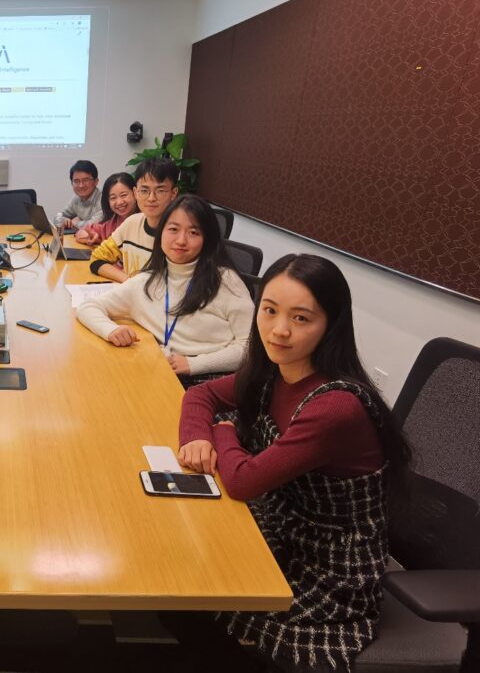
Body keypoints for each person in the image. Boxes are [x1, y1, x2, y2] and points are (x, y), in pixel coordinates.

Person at [163, 254, 411, 673]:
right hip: (279, 531)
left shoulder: (336, 406)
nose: (279, 330)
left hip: (329, 572)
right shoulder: (275, 368)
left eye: (300, 318)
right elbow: (199, 396)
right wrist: (197, 434)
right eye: (270, 310)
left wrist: (221, 430)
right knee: (175, 567)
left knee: (188, 595)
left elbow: (243, 482)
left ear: (330, 325)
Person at [76, 194, 252, 386]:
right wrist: (110, 330)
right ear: (161, 233)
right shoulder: (147, 282)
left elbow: (251, 347)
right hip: (163, 369)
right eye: (173, 229)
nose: (181, 240)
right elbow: (88, 307)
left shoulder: (225, 281)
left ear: (207, 239)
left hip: (215, 377)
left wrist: (194, 364)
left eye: (193, 232)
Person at [88, 158, 180, 281]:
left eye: (160, 190)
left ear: (173, 193)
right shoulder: (132, 223)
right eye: (144, 191)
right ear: (136, 192)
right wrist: (128, 281)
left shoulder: (181, 233)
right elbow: (97, 258)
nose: (151, 198)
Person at [73, 172, 138, 247]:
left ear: (135, 193)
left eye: (124, 195)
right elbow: (83, 231)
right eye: (113, 198)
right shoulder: (112, 223)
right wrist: (89, 237)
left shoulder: (145, 220)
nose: (119, 202)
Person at [53, 160, 101, 230]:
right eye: (76, 181)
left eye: (85, 180)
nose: (81, 185)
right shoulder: (76, 199)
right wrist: (64, 220)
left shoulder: (103, 199)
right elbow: (57, 217)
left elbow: (94, 226)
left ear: (96, 182)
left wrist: (73, 223)